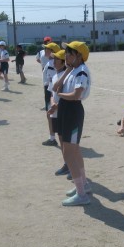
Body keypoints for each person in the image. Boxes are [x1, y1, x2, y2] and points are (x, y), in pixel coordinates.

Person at [52, 41, 92, 206]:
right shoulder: (73, 70)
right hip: (66, 109)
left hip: (73, 111)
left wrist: (60, 95)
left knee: (68, 153)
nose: (66, 55)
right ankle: (83, 184)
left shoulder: (81, 71)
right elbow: (55, 86)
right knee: (73, 151)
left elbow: (76, 95)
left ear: (79, 56)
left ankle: (81, 194)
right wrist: (67, 70)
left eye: (70, 53)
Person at [46, 49, 68, 175]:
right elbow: (51, 93)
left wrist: (57, 106)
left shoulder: (66, 76)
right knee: (60, 138)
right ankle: (66, 164)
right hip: (55, 111)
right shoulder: (55, 75)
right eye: (53, 59)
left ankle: (70, 165)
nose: (53, 61)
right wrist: (53, 104)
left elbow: (67, 95)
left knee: (66, 140)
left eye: (56, 59)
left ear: (63, 62)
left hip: (63, 111)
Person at [41, 42, 59, 146]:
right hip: (50, 89)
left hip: (51, 90)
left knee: (50, 114)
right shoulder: (51, 62)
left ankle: (52, 138)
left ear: (53, 51)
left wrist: (52, 92)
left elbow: (53, 79)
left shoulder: (52, 63)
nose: (45, 50)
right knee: (51, 114)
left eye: (47, 49)